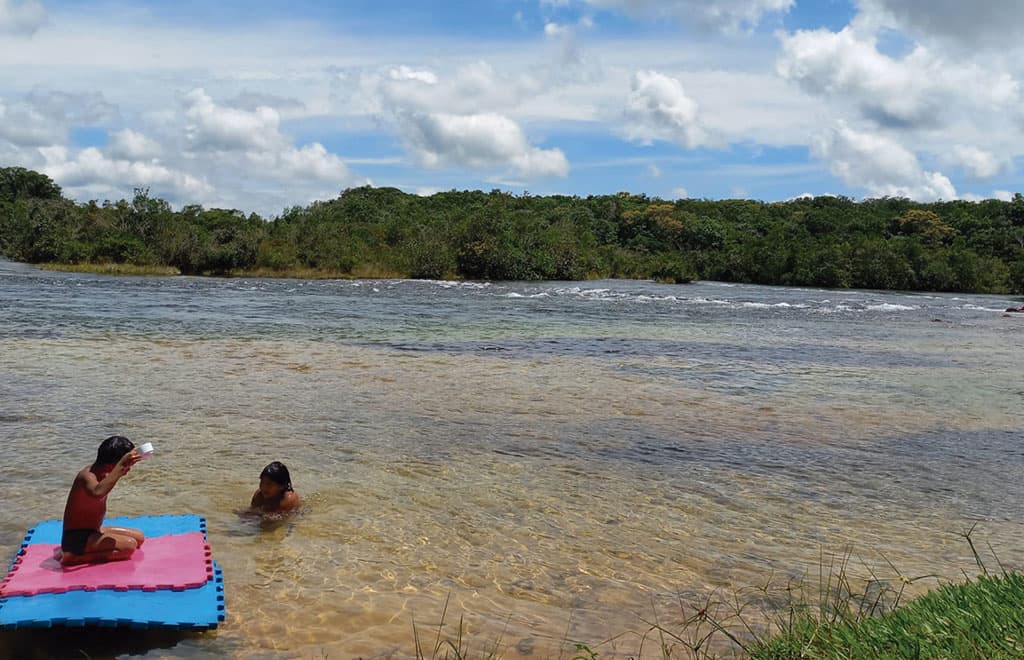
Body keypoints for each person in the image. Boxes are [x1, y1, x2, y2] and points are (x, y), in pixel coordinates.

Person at [58, 435, 146, 566]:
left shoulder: (104, 474)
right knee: (129, 546)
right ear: (113, 465)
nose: (128, 469)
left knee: (139, 538)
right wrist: (121, 466)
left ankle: (88, 545)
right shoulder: (87, 476)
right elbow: (97, 493)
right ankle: (74, 557)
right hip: (77, 539)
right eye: (127, 466)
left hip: (94, 530)